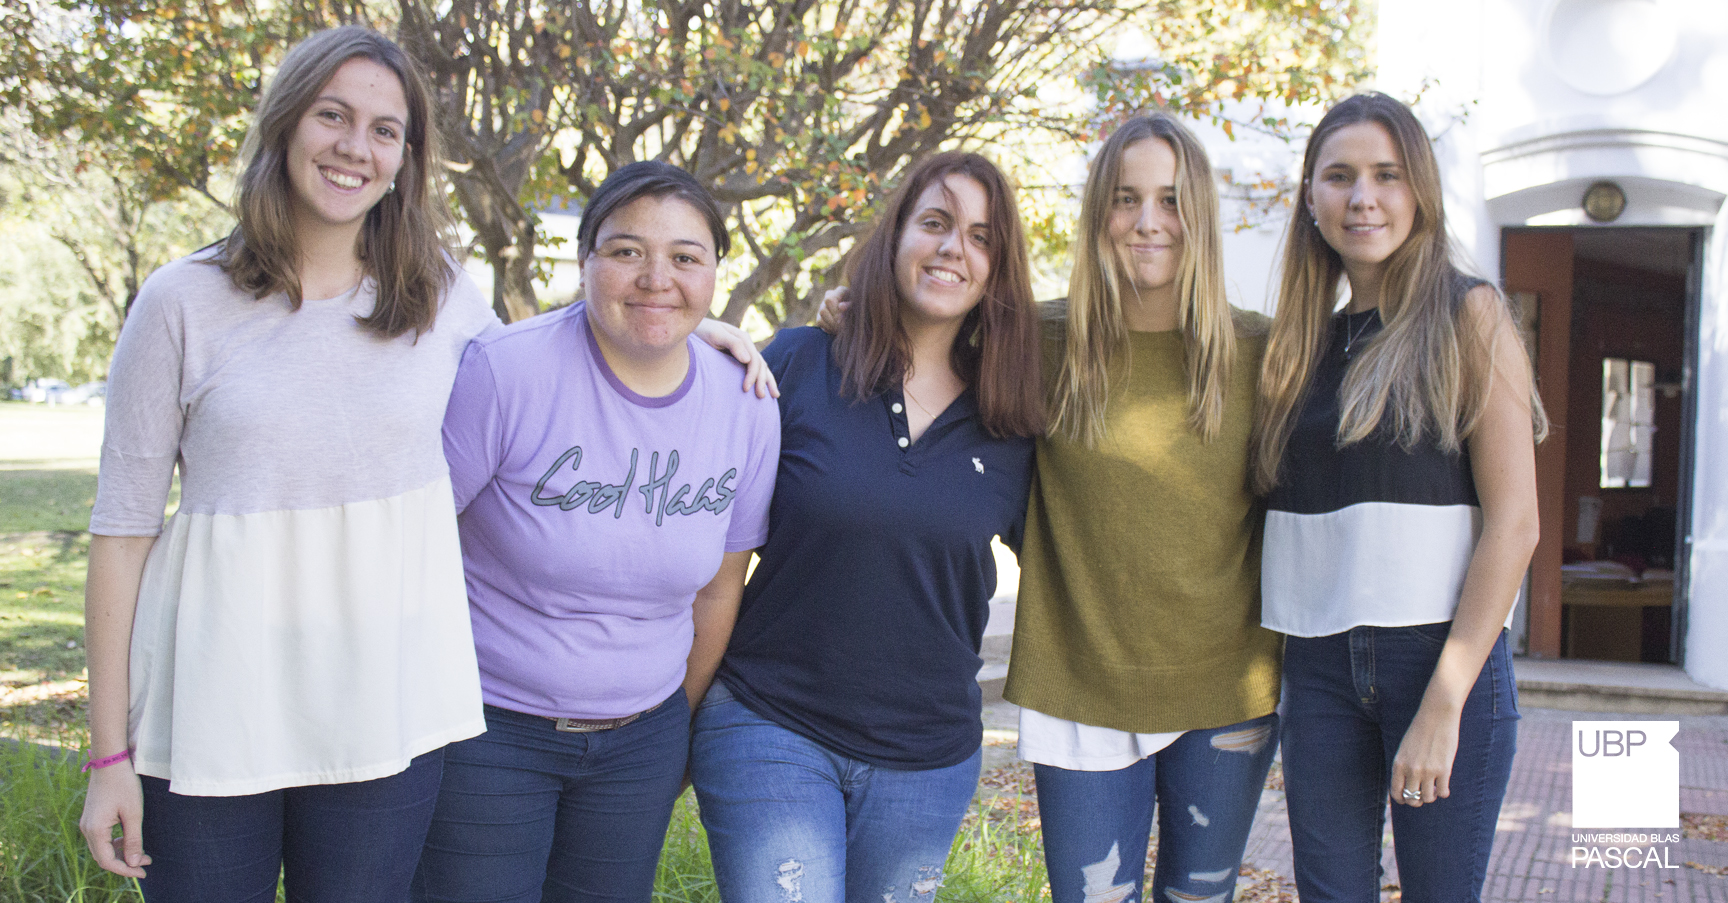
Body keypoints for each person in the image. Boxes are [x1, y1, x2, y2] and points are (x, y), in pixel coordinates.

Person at [77, 26, 497, 902]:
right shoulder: (181, 301)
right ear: (284, 124)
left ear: (406, 158)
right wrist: (107, 755)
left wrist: (703, 333)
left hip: (385, 704)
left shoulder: (444, 297)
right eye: (332, 115)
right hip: (212, 704)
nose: (356, 147)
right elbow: (121, 531)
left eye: (386, 130)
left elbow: (565, 373)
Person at [411, 160, 780, 903]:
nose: (655, 276)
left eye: (685, 256)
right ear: (586, 261)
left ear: (713, 274)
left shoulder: (746, 403)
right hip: (489, 730)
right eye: (625, 250)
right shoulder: (507, 373)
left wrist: (674, 727)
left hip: (639, 744)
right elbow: (414, 546)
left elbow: (717, 592)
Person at [690, 151, 1045, 903]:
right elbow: (704, 542)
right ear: (894, 238)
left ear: (997, 270)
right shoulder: (798, 363)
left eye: (981, 237)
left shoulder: (1012, 419)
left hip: (929, 757)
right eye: (936, 223)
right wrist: (696, 341)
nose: (954, 248)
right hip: (771, 722)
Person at [1251, 92, 1545, 902]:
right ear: (1310, 197)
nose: (1362, 197)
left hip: (1440, 660)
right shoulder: (1296, 347)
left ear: (1420, 191)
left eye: (1386, 175)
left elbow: (1515, 524)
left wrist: (1445, 700)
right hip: (1316, 665)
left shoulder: (1469, 313)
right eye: (1339, 177)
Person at [1000, 112, 1283, 903]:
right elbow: (908, 338)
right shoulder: (1034, 340)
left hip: (1228, 688)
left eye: (1171, 199)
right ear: (1099, 213)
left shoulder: (1260, 351)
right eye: (1127, 199)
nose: (1149, 221)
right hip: (1078, 683)